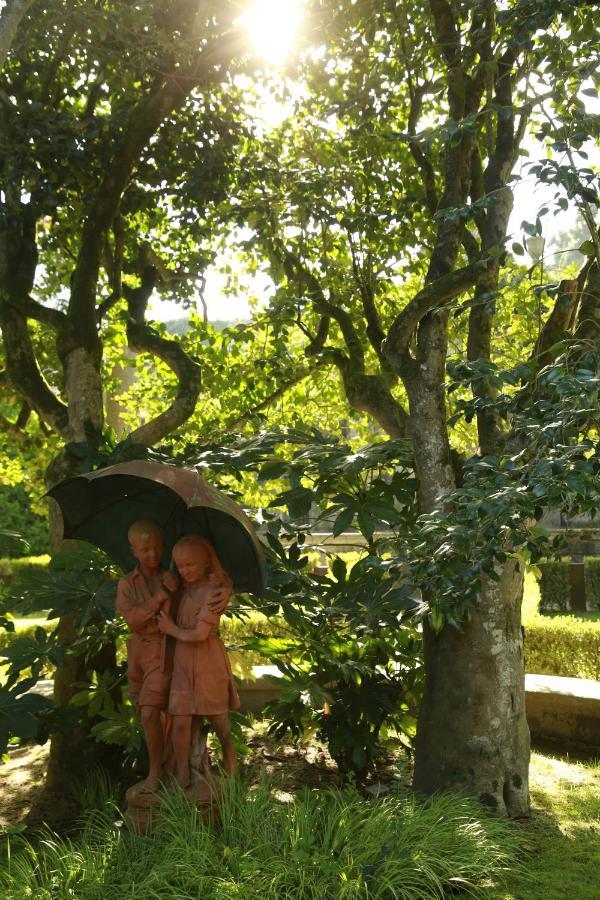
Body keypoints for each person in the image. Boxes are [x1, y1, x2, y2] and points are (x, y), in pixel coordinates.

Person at [157, 533, 239, 787]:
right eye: (180, 565)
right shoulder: (180, 588)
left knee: (217, 717)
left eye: (190, 564)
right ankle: (182, 772)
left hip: (206, 661)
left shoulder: (215, 592)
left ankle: (229, 752)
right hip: (183, 662)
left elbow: (201, 634)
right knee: (180, 718)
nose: (184, 570)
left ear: (206, 562)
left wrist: (170, 629)